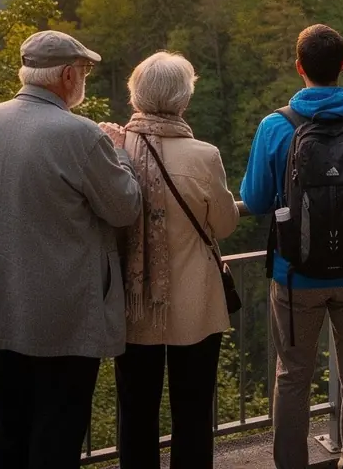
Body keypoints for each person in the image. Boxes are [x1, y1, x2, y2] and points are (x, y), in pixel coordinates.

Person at [0, 30, 142, 469]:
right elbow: (124, 207)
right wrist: (122, 153)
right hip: (62, 314)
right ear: (68, 76)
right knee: (57, 433)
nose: (85, 79)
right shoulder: (81, 135)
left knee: (8, 427)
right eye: (85, 72)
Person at [240, 24, 343, 469]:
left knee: (292, 377)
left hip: (296, 275)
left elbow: (253, 200)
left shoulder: (276, 126)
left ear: (299, 68)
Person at [105, 52, 240, 469]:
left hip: (133, 303)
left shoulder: (114, 147)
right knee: (194, 412)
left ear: (136, 95)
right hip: (195, 303)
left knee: (136, 413)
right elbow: (225, 223)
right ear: (183, 99)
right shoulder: (203, 155)